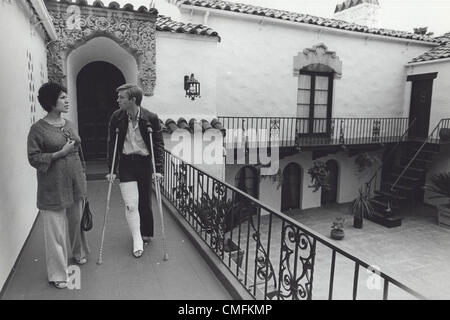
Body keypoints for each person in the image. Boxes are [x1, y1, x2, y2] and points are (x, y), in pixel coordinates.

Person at [27, 82, 89, 289]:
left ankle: (78, 252)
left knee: (75, 222)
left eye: (66, 97)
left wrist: (83, 174)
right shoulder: (37, 129)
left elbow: (78, 150)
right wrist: (58, 154)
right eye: (62, 97)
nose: (67, 100)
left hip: (75, 182)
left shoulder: (69, 124)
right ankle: (57, 273)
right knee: (55, 232)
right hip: (52, 186)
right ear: (50, 102)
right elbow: (34, 158)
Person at [106, 84, 164, 258]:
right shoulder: (116, 117)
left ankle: (146, 232)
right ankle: (137, 238)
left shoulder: (151, 118)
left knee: (144, 202)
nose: (118, 100)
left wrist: (158, 169)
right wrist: (111, 169)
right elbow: (112, 144)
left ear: (133, 100)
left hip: (144, 162)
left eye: (121, 97)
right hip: (126, 164)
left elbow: (158, 144)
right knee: (131, 204)